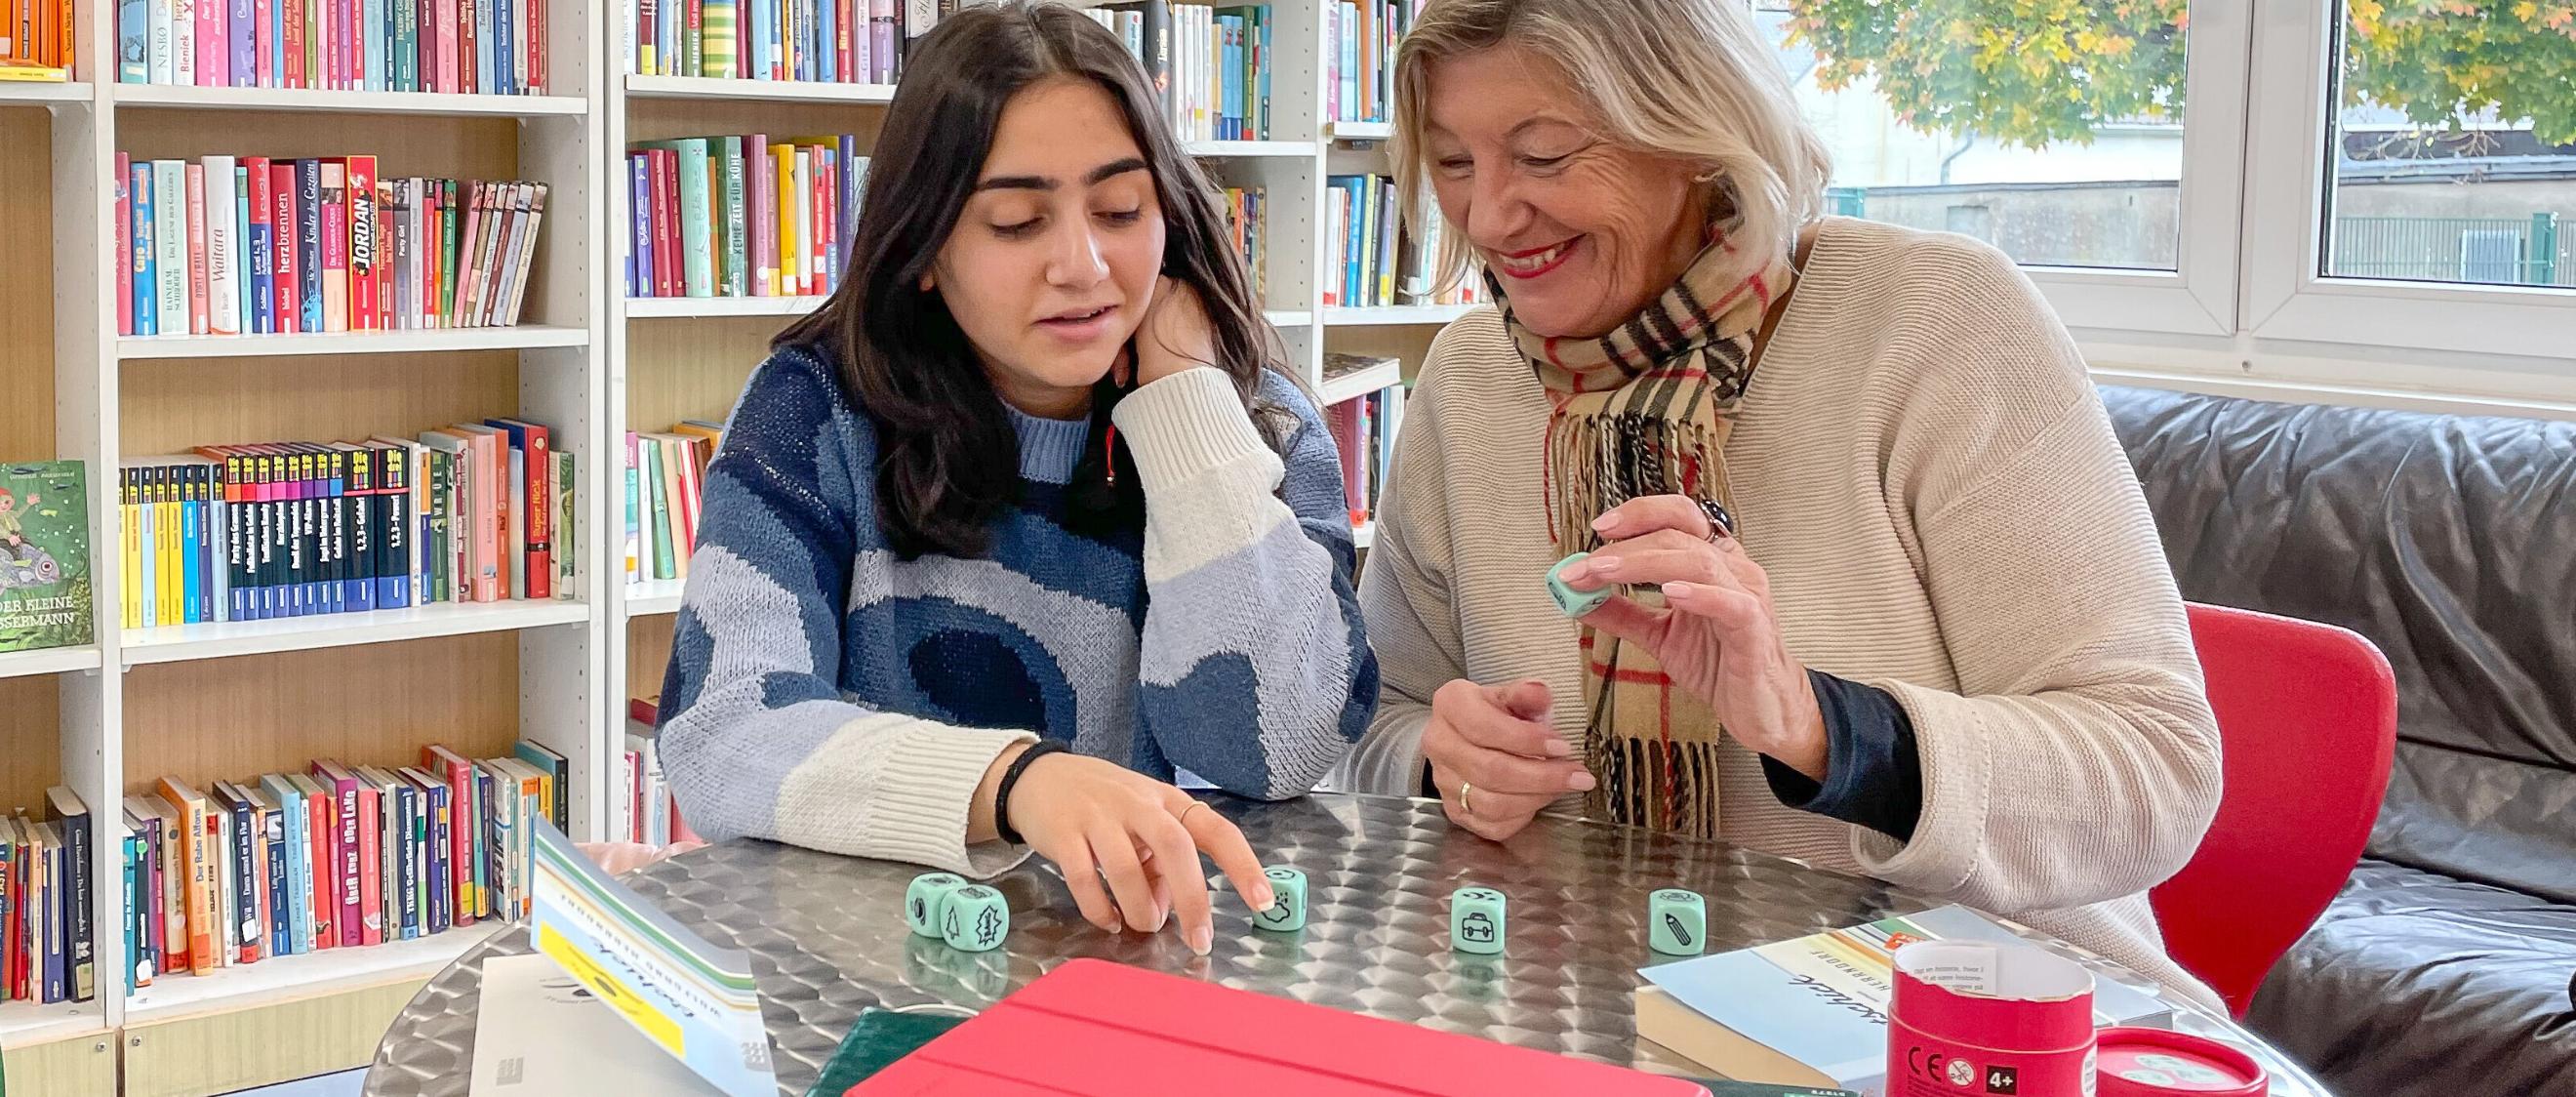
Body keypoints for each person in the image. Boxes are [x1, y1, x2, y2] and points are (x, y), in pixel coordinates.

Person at [1342, 0, 2224, 1002]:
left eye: (1544, 156)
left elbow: (2156, 772)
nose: (1491, 214)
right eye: (1454, 162)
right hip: (1599, 1011)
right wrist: (1438, 757)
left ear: (1698, 137)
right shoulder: (1464, 381)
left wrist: (1823, 726)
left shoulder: (1940, 325)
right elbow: (1376, 723)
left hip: (1978, 1025)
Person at [657, 1, 1376, 956]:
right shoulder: (815, 410)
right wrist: (1013, 782)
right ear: (922, 249)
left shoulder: (1253, 422)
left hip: (1161, 963)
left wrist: (1184, 415)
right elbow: (723, 729)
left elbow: (1272, 749)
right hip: (880, 967)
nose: (1082, 266)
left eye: (1122, 210)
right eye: (1015, 221)